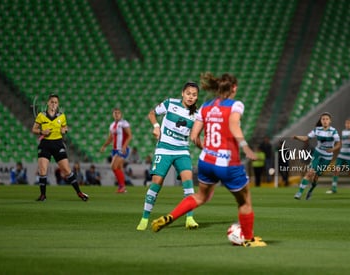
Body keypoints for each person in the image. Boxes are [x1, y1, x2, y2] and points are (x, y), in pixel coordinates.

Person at [150, 72, 266, 247]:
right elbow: (233, 124)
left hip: (206, 161)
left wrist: (210, 150)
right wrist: (245, 146)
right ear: (234, 88)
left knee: (200, 196)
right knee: (244, 201)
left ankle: (170, 216)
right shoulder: (235, 105)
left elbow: (194, 136)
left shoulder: (205, 107)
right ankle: (248, 239)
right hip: (227, 163)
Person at [136, 81, 201, 231]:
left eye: (194, 95)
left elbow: (194, 136)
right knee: (157, 182)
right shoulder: (170, 103)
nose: (191, 97)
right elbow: (151, 113)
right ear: (182, 93)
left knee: (188, 182)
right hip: (164, 148)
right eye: (188, 93)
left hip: (182, 151)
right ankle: (144, 218)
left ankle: (190, 218)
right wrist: (156, 127)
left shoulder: (197, 115)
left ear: (197, 97)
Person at [32, 94, 88, 201]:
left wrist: (64, 130)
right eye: (52, 102)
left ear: (58, 104)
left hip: (58, 144)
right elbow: (34, 129)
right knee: (42, 170)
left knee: (67, 170)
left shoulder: (61, 116)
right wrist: (41, 131)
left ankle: (79, 193)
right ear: (48, 103)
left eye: (56, 102)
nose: (53, 104)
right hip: (45, 144)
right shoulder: (41, 115)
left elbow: (65, 128)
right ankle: (43, 195)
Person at [293, 112, 340, 200]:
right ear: (321, 121)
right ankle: (299, 192)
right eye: (323, 119)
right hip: (317, 153)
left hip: (327, 157)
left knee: (315, 177)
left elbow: (338, 144)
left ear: (330, 121)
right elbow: (306, 138)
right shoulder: (317, 130)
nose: (325, 121)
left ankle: (310, 190)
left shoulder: (333, 131)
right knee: (310, 172)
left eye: (326, 119)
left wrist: (332, 149)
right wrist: (297, 137)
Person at [100, 108, 132, 193]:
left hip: (121, 149)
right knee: (119, 168)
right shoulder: (112, 125)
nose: (117, 114)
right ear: (113, 115)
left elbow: (129, 136)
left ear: (121, 114)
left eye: (118, 113)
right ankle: (123, 188)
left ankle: (121, 186)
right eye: (115, 113)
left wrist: (124, 146)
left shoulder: (124, 123)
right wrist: (104, 146)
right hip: (115, 150)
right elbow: (111, 138)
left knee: (113, 166)